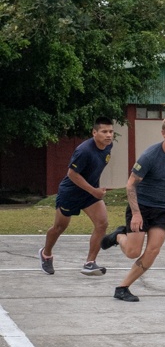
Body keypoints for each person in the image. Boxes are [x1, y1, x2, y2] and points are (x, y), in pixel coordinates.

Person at [100, 114, 165, 302]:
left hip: (164, 208)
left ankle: (123, 287)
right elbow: (130, 184)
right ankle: (118, 235)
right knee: (133, 252)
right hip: (141, 206)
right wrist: (135, 213)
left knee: (152, 250)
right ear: (164, 133)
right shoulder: (150, 156)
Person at [39, 117, 116, 276]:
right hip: (71, 193)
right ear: (94, 133)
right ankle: (46, 254)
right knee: (59, 227)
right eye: (104, 131)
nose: (108, 135)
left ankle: (90, 263)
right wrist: (93, 190)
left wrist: (94, 189)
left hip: (90, 193)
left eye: (111, 131)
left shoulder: (109, 146)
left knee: (102, 223)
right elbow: (72, 174)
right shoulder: (84, 150)